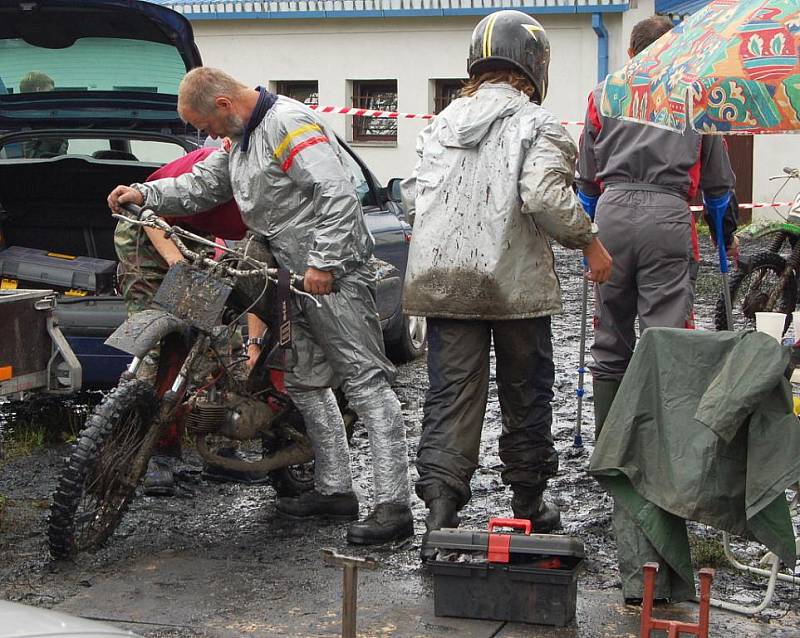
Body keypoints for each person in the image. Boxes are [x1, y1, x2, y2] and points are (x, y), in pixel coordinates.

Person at [108, 67, 413, 545]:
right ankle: (335, 490)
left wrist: (326, 261)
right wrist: (146, 193)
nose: (204, 134)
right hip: (288, 275)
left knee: (364, 380)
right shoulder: (240, 139)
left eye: (204, 124)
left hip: (330, 276)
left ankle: (394, 504)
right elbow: (204, 184)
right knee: (306, 381)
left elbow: (335, 193)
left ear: (225, 104)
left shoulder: (289, 125)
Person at [401, 10, 613, 561]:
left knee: (450, 396)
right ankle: (530, 503)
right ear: (535, 65)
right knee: (526, 392)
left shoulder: (440, 124)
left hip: (444, 283)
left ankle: (441, 515)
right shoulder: (537, 123)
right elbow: (543, 196)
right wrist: (588, 240)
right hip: (514, 286)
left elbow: (411, 197)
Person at [575, 15, 737, 437]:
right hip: (667, 215)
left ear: (630, 53)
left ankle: (609, 446)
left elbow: (587, 181)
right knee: (666, 336)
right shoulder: (692, 95)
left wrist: (587, 234)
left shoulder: (602, 95)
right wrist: (725, 233)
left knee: (610, 332)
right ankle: (664, 449)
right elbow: (717, 186)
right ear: (675, 51)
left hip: (612, 213)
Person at [114, 142, 251, 495]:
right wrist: (179, 267)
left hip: (197, 236)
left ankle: (222, 454)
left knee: (222, 341)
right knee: (159, 345)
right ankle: (150, 456)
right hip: (147, 232)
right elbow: (146, 211)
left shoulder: (271, 186)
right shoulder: (211, 165)